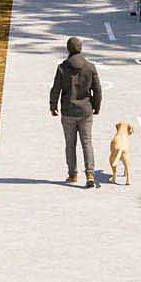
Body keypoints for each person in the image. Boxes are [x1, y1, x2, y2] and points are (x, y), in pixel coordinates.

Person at [49, 36, 102, 186]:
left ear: (68, 49)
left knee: (70, 144)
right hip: (86, 111)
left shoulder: (62, 68)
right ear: (81, 48)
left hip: (68, 111)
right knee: (87, 142)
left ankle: (72, 175)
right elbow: (97, 90)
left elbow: (56, 89)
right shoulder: (90, 67)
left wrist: (53, 106)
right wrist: (96, 106)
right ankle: (90, 174)